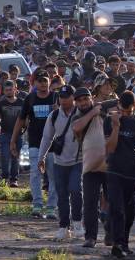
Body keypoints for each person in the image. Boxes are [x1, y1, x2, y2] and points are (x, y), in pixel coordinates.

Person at [104, 91, 135, 258]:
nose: (125, 114)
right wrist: (116, 126)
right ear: (118, 105)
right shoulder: (110, 121)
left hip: (134, 173)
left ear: (134, 106)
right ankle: (117, 244)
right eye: (123, 110)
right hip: (114, 170)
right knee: (117, 208)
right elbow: (109, 148)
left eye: (128, 111)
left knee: (130, 211)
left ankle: (123, 241)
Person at [38, 85, 83, 239]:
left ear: (74, 98)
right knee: (62, 195)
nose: (63, 100)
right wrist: (41, 157)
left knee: (76, 190)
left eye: (67, 97)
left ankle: (77, 223)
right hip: (59, 162)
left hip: (79, 160)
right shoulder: (54, 115)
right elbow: (47, 137)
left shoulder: (82, 113)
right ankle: (64, 227)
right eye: (61, 97)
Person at [12, 74, 58, 218]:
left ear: (50, 82)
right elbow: (20, 120)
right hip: (34, 142)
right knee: (35, 174)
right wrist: (13, 140)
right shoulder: (30, 99)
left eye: (46, 80)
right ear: (35, 83)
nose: (44, 83)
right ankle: (37, 205)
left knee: (53, 176)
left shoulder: (56, 97)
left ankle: (51, 207)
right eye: (40, 81)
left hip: (53, 144)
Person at [71, 88, 109, 248]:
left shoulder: (104, 110)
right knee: (90, 203)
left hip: (110, 165)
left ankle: (112, 234)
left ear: (91, 98)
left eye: (85, 99)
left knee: (113, 201)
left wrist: (102, 108)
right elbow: (76, 127)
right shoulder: (78, 116)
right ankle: (90, 237)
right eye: (79, 100)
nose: (83, 102)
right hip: (90, 167)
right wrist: (93, 112)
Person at [0, 80, 24, 187]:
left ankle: (14, 179)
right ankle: (5, 178)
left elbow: (27, 119)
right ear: (3, 91)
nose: (9, 92)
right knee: (5, 156)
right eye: (6, 90)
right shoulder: (0, 104)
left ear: (15, 89)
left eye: (11, 89)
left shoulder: (22, 103)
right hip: (5, 134)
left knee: (15, 157)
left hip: (19, 135)